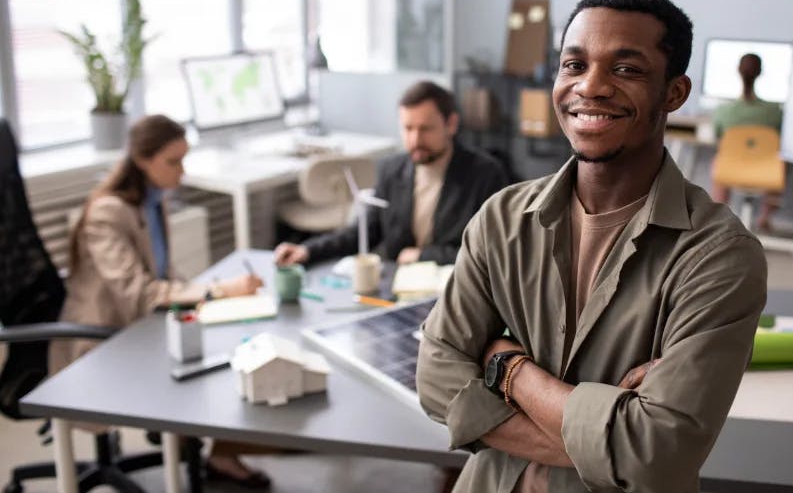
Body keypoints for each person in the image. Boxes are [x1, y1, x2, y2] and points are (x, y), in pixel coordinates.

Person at [416, 0, 767, 492]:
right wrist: (609, 439)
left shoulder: (717, 256)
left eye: (625, 69)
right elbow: (435, 378)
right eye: (574, 65)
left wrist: (507, 368)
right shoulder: (502, 219)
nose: (591, 86)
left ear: (674, 92)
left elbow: (655, 453)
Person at [48, 115, 272, 488]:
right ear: (142, 159)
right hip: (103, 341)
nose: (181, 172)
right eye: (173, 161)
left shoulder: (152, 200)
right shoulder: (108, 212)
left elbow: (163, 273)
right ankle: (202, 446)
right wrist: (218, 291)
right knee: (212, 360)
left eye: (184, 159)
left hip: (139, 325)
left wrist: (211, 290)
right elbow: (139, 292)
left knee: (236, 341)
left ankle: (217, 450)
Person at [275, 80, 508, 267]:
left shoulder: (485, 174)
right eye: (408, 128)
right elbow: (363, 233)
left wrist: (424, 256)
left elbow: (491, 252)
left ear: (451, 125)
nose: (415, 140)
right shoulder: (391, 170)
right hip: (398, 290)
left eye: (425, 129)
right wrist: (307, 250)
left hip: (456, 290)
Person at [710, 53, 784, 230]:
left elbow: (718, 138)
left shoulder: (723, 111)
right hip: (767, 172)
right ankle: (766, 216)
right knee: (781, 161)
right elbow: (780, 141)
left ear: (738, 71)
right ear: (760, 73)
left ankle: (719, 216)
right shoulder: (775, 112)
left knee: (721, 158)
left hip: (731, 170)